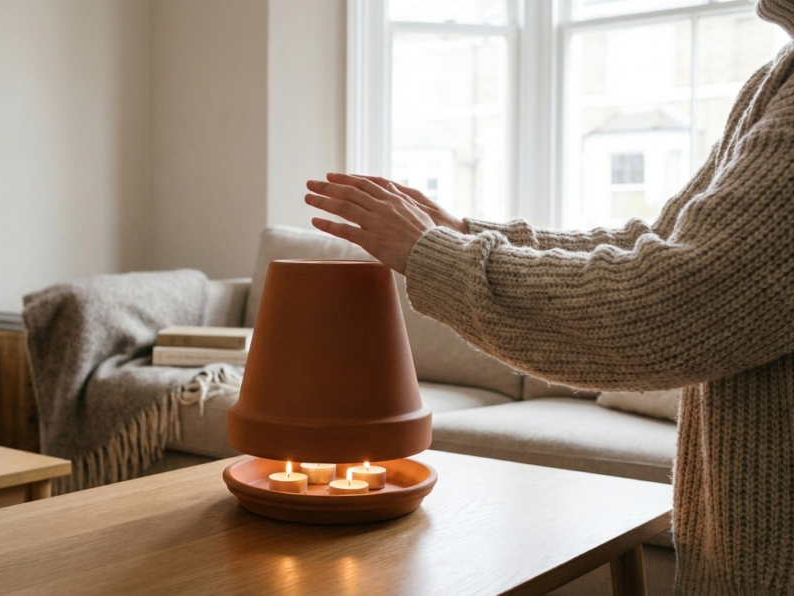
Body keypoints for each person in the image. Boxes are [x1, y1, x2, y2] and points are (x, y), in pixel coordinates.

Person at [305, 1, 794, 593]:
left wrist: (440, 258)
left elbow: (675, 304)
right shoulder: (776, 77)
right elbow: (659, 240)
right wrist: (466, 234)